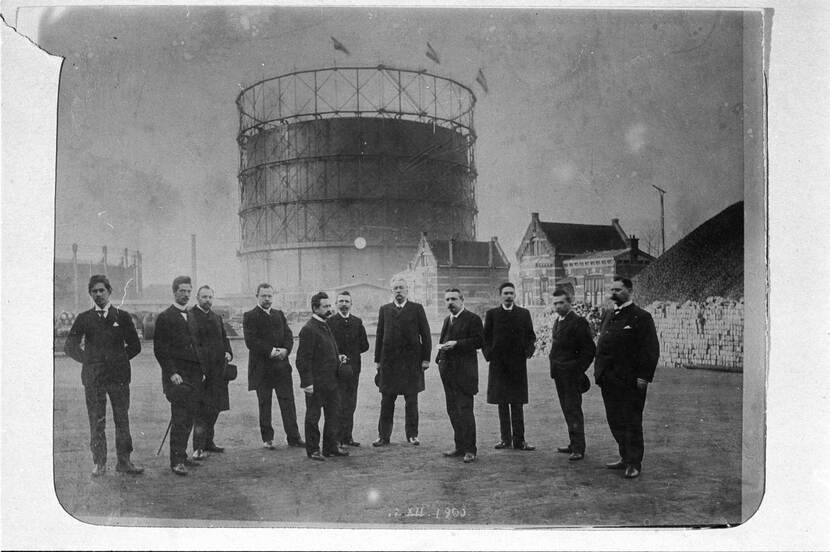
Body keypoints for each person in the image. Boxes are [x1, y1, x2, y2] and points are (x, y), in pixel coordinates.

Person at [64, 274, 144, 476]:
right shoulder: (84, 318)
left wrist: (119, 361)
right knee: (97, 421)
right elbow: (69, 346)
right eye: (94, 291)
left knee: (122, 419)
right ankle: (99, 463)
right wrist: (89, 362)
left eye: (102, 290)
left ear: (109, 292)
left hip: (118, 378)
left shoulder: (122, 316)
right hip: (94, 379)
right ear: (90, 294)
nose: (98, 294)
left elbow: (135, 346)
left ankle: (124, 461)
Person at [594, 277, 660, 479]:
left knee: (631, 421)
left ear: (629, 291)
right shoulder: (608, 315)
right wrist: (600, 374)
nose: (614, 293)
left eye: (618, 289)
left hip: (630, 381)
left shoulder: (641, 317)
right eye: (612, 289)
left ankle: (634, 462)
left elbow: (650, 350)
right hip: (609, 380)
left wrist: (643, 377)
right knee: (614, 420)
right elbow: (602, 346)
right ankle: (624, 456)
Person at [243, 283, 304, 450]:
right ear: (257, 296)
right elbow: (251, 341)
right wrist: (272, 351)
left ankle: (293, 437)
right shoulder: (249, 316)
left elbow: (288, 336)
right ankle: (267, 438)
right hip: (262, 369)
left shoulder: (279, 314)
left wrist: (285, 350)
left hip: (282, 368)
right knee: (265, 404)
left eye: (270, 296)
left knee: (288, 402)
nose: (267, 299)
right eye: (264, 296)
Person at [372, 278, 432, 447]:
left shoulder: (417, 309)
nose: (398, 291)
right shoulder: (385, 310)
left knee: (411, 400)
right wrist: (378, 360)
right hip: (389, 363)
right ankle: (383, 436)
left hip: (411, 363)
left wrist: (426, 359)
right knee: (386, 401)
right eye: (395, 288)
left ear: (407, 290)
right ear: (392, 291)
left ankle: (412, 435)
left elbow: (426, 335)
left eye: (401, 288)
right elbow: (379, 335)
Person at [154, 275, 203, 476]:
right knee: (179, 418)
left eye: (189, 291)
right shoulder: (165, 317)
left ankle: (182, 455)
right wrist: (172, 372)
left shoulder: (191, 315)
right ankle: (176, 461)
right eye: (182, 290)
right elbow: (160, 349)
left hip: (193, 377)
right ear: (174, 292)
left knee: (190, 417)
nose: (186, 294)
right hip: (176, 378)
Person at [483, 282, 537, 451]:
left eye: (511, 293)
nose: (508, 296)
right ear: (500, 296)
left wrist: (527, 353)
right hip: (498, 365)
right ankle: (505, 439)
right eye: (505, 293)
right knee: (502, 403)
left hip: (517, 366)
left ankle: (520, 440)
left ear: (515, 295)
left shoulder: (523, 314)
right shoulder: (492, 314)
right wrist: (489, 354)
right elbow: (485, 338)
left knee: (517, 403)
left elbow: (531, 337)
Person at [296, 292, 349, 461]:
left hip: (332, 381)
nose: (329, 309)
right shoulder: (308, 329)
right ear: (315, 308)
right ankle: (313, 450)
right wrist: (307, 383)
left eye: (329, 306)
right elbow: (302, 360)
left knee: (333, 415)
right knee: (313, 417)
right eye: (325, 307)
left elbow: (328, 350)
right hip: (316, 384)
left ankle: (330, 447)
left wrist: (337, 356)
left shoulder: (325, 325)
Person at [436, 288, 484, 464]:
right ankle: (460, 446)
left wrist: (457, 344)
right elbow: (442, 340)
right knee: (452, 410)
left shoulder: (473, 319)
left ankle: (470, 449)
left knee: (465, 410)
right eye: (447, 299)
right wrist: (438, 360)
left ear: (462, 300)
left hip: (465, 373)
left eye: (453, 299)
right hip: (447, 372)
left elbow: (479, 341)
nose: (450, 303)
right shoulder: (447, 320)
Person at [548, 289, 596, 461]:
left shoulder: (578, 322)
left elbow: (589, 350)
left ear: (570, 302)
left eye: (561, 302)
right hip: (559, 375)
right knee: (566, 409)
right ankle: (573, 443)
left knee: (574, 409)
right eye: (555, 303)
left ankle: (578, 447)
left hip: (571, 375)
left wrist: (577, 370)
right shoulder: (557, 321)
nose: (558, 306)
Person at [188, 285, 233, 459]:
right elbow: (193, 344)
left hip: (218, 371)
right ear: (197, 298)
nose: (207, 300)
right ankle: (198, 447)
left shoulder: (216, 317)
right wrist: (200, 368)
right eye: (204, 297)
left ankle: (209, 442)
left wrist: (228, 351)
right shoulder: (191, 317)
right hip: (202, 371)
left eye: (210, 297)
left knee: (215, 408)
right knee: (201, 410)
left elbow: (224, 337)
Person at [327, 291, 370, 447]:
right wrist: (338, 355)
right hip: (336, 370)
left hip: (353, 369)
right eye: (341, 301)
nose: (344, 304)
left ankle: (348, 436)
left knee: (351, 403)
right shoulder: (330, 322)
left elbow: (365, 345)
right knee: (338, 403)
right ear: (336, 304)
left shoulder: (357, 322)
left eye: (347, 301)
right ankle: (338, 438)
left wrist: (352, 353)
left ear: (351, 304)